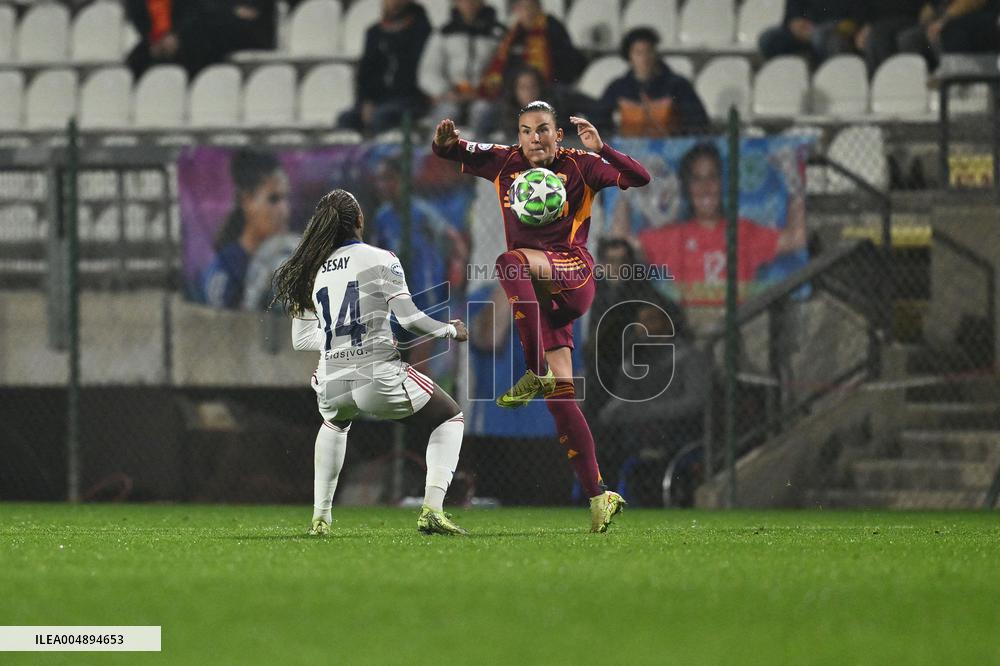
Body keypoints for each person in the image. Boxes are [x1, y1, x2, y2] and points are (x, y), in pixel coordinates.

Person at [432, 101, 651, 532]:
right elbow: (452, 151)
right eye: (527, 131)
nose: (535, 138)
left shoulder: (582, 165)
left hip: (574, 275)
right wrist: (444, 142)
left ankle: (534, 371)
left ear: (558, 134)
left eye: (544, 129)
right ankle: (599, 495)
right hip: (543, 299)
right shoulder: (505, 161)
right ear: (519, 136)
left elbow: (639, 178)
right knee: (562, 400)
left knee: (509, 262)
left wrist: (603, 148)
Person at [270, 189, 471, 536]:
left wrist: (341, 340)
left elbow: (301, 339)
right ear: (360, 220)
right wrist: (449, 330)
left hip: (331, 380)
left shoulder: (309, 269)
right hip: (376, 375)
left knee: (334, 423)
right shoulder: (381, 258)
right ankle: (432, 510)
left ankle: (321, 519)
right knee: (450, 417)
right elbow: (409, 319)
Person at [638, 142, 806, 306]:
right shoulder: (676, 235)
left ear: (721, 183)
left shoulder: (741, 231)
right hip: (691, 320)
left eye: (712, 177)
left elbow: (797, 239)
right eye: (697, 179)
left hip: (740, 318)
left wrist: (794, 186)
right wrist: (627, 192)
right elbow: (626, 245)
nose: (705, 187)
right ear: (687, 188)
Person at [202, 149, 290, 310]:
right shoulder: (225, 270)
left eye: (286, 198)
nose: (284, 210)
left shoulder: (288, 256)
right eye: (273, 199)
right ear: (247, 201)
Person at [338, 0, 432, 135]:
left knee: (381, 117)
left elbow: (419, 72)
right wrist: (366, 101)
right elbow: (366, 73)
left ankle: (385, 149)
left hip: (410, 99)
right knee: (346, 119)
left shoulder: (421, 30)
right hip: (378, 100)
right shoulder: (374, 32)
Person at [594, 27, 709, 137]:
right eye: (638, 53)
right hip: (629, 147)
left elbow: (699, 122)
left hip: (671, 147)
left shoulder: (678, 85)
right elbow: (598, 122)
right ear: (629, 57)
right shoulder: (618, 87)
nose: (644, 58)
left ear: (656, 53)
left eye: (649, 51)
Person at [418, 0, 506, 137]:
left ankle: (477, 147)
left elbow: (504, 68)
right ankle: (437, 149)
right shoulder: (444, 33)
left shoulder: (498, 33)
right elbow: (428, 70)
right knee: (446, 114)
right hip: (450, 95)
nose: (468, 3)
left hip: (485, 95)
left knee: (482, 111)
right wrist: (445, 91)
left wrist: (485, 90)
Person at [125, 0, 276, 78]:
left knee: (194, 45)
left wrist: (177, 36)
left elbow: (248, 13)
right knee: (135, 60)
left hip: (240, 31)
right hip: (189, 31)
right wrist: (157, 37)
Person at [479, 0, 586, 102]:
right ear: (516, 10)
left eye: (530, 7)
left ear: (539, 8)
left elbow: (566, 64)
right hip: (515, 92)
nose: (527, 12)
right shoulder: (513, 34)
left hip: (548, 88)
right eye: (522, 7)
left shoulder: (552, 28)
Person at [897, 0, 1000, 67]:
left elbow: (970, 3)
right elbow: (931, 8)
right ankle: (920, 78)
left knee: (940, 34)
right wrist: (929, 15)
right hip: (941, 19)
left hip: (965, 19)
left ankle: (946, 74)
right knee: (908, 38)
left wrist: (943, 20)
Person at [758, 0, 864, 64]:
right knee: (768, 39)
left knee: (820, 35)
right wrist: (795, 21)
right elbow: (793, 9)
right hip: (805, 26)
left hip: (839, 27)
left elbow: (858, 12)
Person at [853, 1, 926, 74]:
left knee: (878, 36)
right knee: (874, 37)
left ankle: (890, 76)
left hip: (912, 17)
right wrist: (864, 25)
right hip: (879, 22)